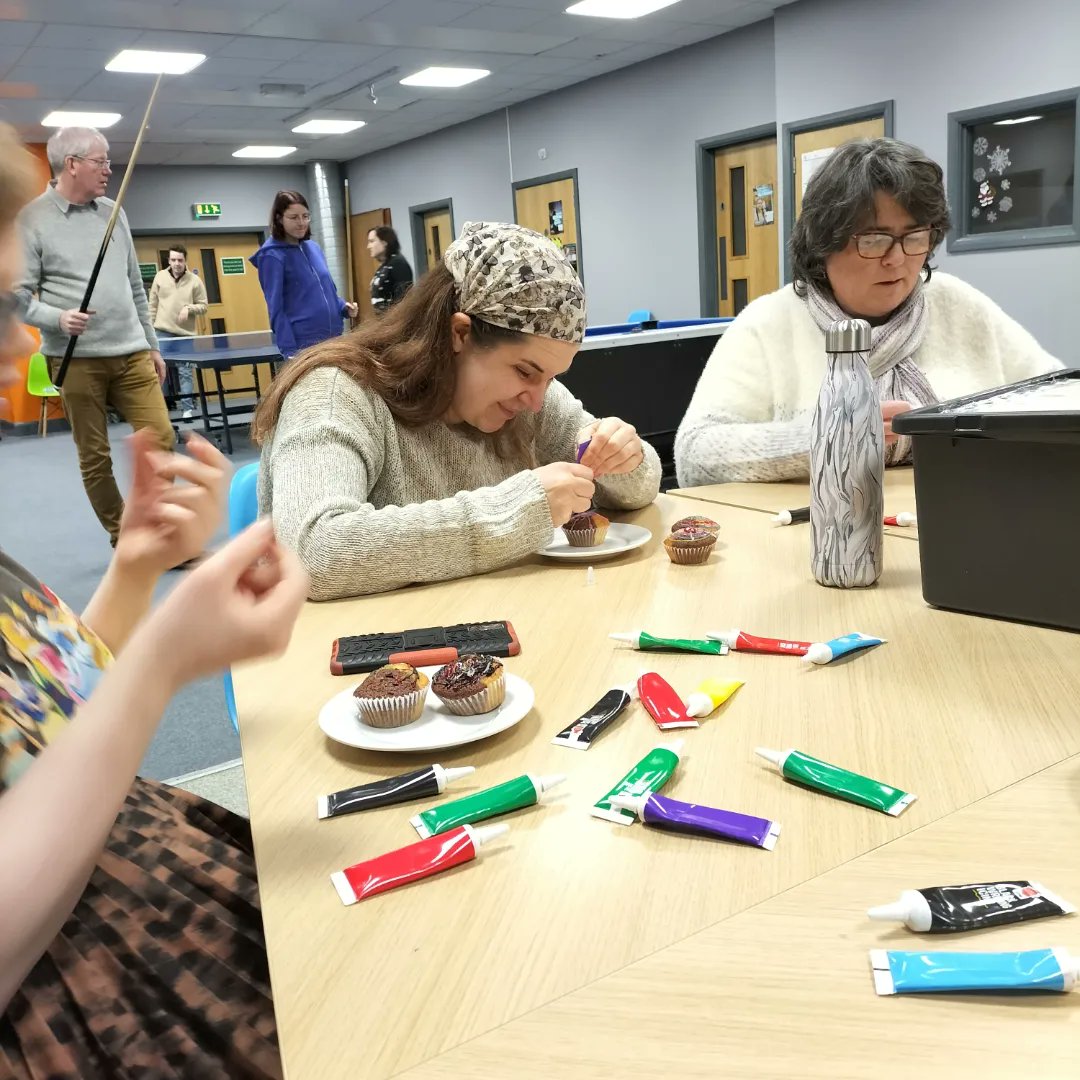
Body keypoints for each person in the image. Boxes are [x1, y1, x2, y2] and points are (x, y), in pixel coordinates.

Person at [0, 123, 309, 1077]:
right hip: (95, 1007)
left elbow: (33, 725)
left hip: (148, 885)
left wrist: (134, 572)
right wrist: (162, 663)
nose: (19, 340)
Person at [253, 220, 662, 600]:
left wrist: (625, 457)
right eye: (525, 371)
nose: (536, 401)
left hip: (489, 635)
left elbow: (640, 489)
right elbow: (314, 554)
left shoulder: (528, 398)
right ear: (460, 333)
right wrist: (517, 511)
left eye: (551, 378)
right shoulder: (335, 393)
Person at [675, 137, 1062, 486]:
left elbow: (1056, 396)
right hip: (812, 539)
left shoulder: (956, 304)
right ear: (822, 242)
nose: (897, 260)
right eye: (874, 240)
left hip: (960, 520)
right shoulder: (770, 324)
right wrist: (826, 436)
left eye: (914, 237)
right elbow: (696, 454)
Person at [15, 126, 176, 547]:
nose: (109, 170)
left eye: (108, 161)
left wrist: (151, 344)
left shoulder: (115, 211)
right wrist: (56, 317)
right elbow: (14, 296)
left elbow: (134, 286)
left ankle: (157, 532)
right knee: (95, 455)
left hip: (131, 353)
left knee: (161, 438)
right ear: (71, 165)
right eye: (100, 161)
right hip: (75, 358)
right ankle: (125, 537)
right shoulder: (31, 219)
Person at [250, 191, 358, 358]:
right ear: (279, 218)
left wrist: (343, 307)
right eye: (294, 218)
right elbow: (276, 309)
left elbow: (326, 291)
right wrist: (290, 353)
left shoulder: (313, 248)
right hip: (303, 346)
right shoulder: (271, 256)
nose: (301, 223)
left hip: (334, 339)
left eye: (305, 216)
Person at [148, 242, 208, 421]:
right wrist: (149, 329)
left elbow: (204, 306)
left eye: (180, 260)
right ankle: (162, 408)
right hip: (162, 332)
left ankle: (187, 409)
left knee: (185, 372)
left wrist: (189, 308)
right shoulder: (159, 277)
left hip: (185, 335)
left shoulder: (195, 281)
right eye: (173, 259)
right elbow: (152, 305)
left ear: (185, 261)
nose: (176, 263)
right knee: (160, 372)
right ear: (169, 260)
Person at [367, 225, 413, 314]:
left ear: (384, 242)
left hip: (394, 322)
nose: (368, 246)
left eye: (372, 241)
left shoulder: (398, 263)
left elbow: (403, 300)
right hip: (383, 321)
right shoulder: (384, 266)